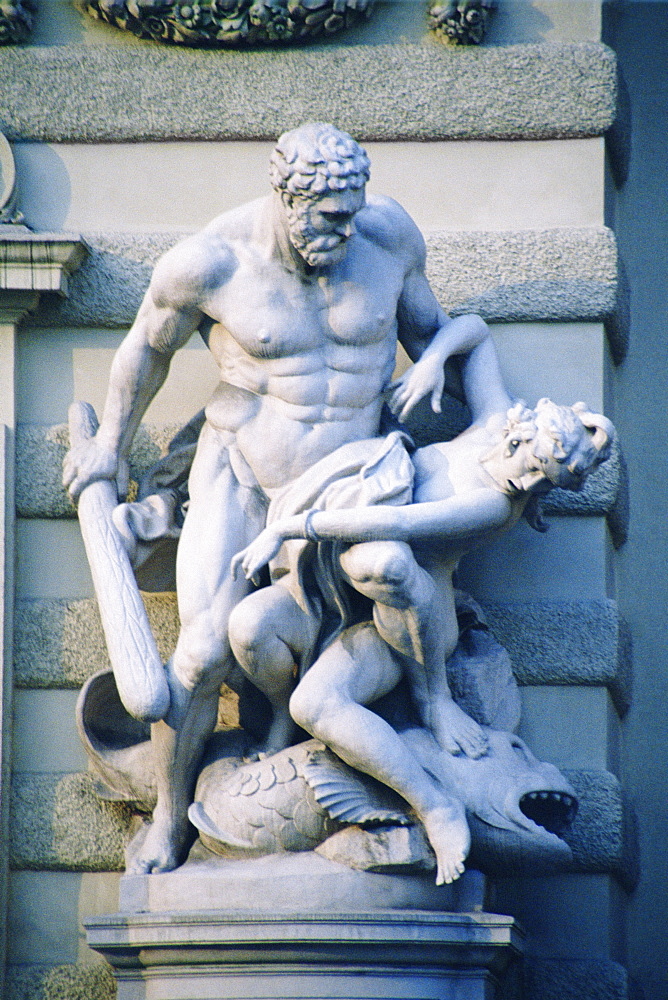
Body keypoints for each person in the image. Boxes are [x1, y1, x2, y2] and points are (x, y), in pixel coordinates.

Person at [62, 121, 489, 874]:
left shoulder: (386, 239)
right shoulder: (211, 263)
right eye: (331, 217)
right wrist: (109, 446)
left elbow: (437, 333)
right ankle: (170, 815)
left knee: (386, 592)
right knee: (199, 652)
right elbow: (145, 348)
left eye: (354, 211)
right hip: (244, 477)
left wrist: (478, 413)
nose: (348, 228)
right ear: (288, 198)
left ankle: (307, 744)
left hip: (350, 481)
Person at [231, 328, 614, 883]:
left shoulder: (491, 506)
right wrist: (432, 359)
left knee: (376, 578)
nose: (530, 484)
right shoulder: (492, 419)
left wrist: (291, 526)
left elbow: (395, 523)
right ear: (519, 435)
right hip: (328, 590)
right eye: (534, 467)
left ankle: (434, 787)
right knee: (247, 628)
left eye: (544, 484)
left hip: (407, 630)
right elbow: (476, 333)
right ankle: (275, 730)